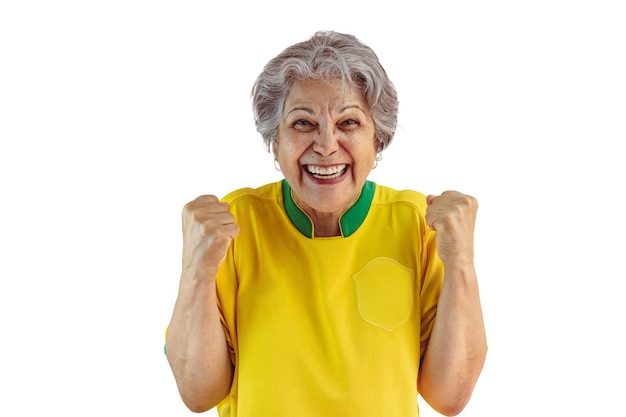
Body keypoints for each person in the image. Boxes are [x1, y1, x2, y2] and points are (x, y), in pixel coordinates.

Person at [165, 30, 487, 417]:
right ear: (275, 141)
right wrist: (196, 270)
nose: (326, 145)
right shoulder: (235, 223)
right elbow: (198, 394)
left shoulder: (420, 223)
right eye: (303, 124)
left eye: (348, 123)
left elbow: (449, 397)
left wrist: (462, 262)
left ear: (378, 139)